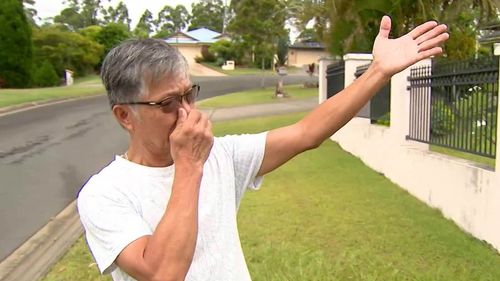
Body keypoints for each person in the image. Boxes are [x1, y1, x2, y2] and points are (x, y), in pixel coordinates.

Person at [77, 16, 448, 281]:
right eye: (168, 103)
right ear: (125, 116)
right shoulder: (105, 194)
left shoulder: (221, 155)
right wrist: (189, 166)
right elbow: (163, 274)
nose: (188, 112)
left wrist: (378, 72)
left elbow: (307, 133)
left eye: (190, 94)